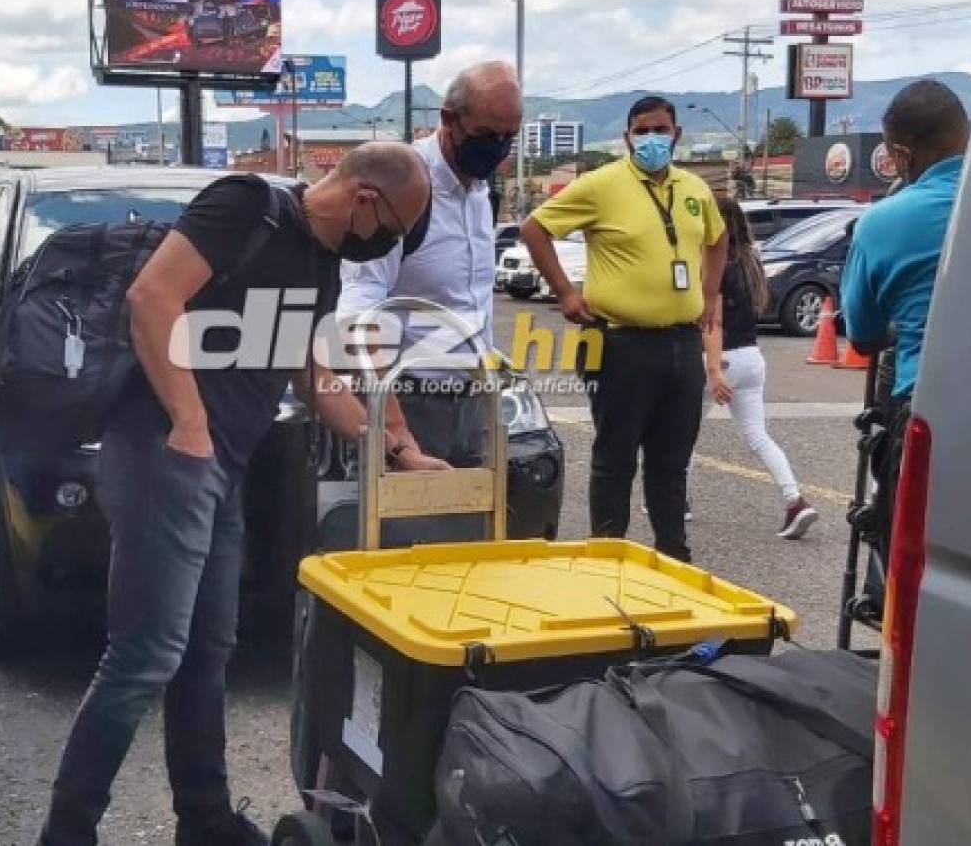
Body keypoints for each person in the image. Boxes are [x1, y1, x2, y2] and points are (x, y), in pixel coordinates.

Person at [37, 143, 446, 846]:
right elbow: (151, 297)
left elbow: (313, 380)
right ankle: (65, 833)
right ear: (365, 201)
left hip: (220, 467)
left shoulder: (318, 264)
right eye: (396, 229)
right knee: (145, 653)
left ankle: (204, 819)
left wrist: (401, 452)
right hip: (163, 452)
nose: (390, 246)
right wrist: (191, 423)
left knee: (208, 647)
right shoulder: (245, 207)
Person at [520, 95, 728, 562]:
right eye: (642, 130)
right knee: (615, 461)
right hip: (618, 342)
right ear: (627, 137)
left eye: (660, 129)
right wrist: (565, 293)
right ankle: (607, 558)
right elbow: (534, 229)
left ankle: (673, 558)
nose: (652, 138)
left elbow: (718, 239)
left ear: (677, 134)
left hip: (680, 343)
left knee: (671, 464)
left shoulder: (694, 189)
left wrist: (709, 295)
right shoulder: (601, 185)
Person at [338, 61, 522, 472]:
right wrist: (396, 431)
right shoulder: (402, 184)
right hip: (411, 403)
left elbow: (468, 300)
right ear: (448, 120)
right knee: (409, 534)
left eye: (510, 136)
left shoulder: (480, 188)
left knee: (477, 530)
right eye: (487, 135)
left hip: (476, 401)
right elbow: (358, 310)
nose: (498, 147)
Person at [841, 78, 970, 562]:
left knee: (912, 559)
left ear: (901, 152)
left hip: (928, 400)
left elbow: (864, 333)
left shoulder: (884, 222)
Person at [703, 197, 818, 539]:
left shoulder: (714, 263)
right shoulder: (751, 260)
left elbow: (714, 321)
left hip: (720, 357)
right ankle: (795, 500)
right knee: (758, 436)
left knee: (678, 433)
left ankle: (678, 503)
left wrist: (714, 370)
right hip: (752, 358)